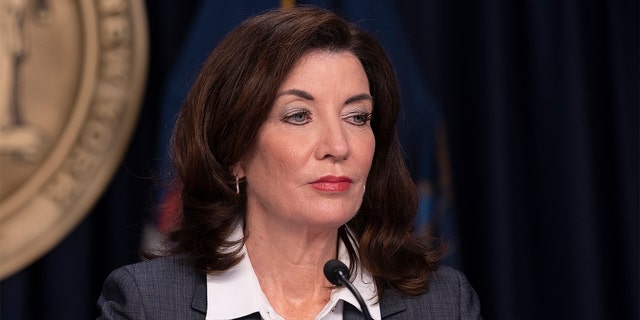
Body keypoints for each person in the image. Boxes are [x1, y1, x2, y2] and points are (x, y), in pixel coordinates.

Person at [97, 6, 481, 320]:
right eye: (299, 116)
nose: (338, 146)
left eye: (357, 117)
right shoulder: (147, 305)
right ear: (235, 152)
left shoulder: (443, 304)